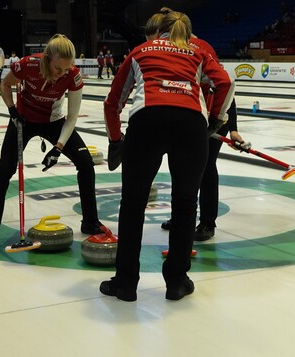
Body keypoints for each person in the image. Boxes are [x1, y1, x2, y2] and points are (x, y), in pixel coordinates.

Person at [100, 11, 234, 301]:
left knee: (133, 204)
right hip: (190, 125)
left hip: (147, 120)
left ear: (157, 31)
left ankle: (125, 283)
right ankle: (176, 281)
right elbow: (225, 84)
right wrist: (216, 120)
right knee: (185, 204)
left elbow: (112, 102)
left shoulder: (140, 50)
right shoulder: (198, 51)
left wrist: (115, 140)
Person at [0, 33, 104, 247]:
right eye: (57, 69)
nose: (61, 74)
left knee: (85, 162)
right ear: (46, 59)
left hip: (54, 122)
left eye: (66, 69)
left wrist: (57, 148)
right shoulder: (27, 65)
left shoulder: (72, 75)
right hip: (23, 121)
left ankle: (90, 222)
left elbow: (72, 118)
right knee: (5, 169)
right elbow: (5, 85)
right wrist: (12, 110)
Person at [146, 7, 245, 242]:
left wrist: (230, 126)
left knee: (206, 168)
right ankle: (180, 217)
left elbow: (226, 86)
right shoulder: (170, 48)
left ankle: (208, 222)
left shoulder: (201, 49)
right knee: (179, 167)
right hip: (188, 117)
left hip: (211, 117)